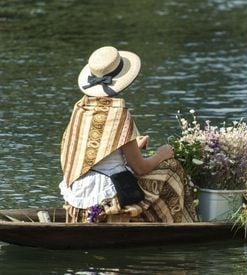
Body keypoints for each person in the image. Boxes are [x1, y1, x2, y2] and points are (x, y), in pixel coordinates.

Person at [59, 46, 197, 223]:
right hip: (107, 195)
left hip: (77, 193)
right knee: (172, 167)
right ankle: (173, 226)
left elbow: (92, 153)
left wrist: (132, 145)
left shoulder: (80, 109)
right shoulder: (119, 114)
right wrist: (161, 154)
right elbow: (140, 168)